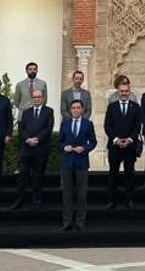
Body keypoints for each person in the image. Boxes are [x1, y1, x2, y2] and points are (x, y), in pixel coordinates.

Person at [11, 88, 54, 210]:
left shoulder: (49, 111)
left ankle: (37, 201)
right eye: (35, 97)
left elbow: (48, 128)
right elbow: (22, 129)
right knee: (22, 176)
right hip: (26, 149)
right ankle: (19, 201)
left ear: (43, 98)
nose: (37, 99)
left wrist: (37, 139)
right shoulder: (26, 112)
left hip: (41, 149)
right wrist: (27, 139)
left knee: (37, 176)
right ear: (32, 98)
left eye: (39, 97)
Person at [59, 99, 97, 231]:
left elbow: (93, 142)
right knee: (67, 194)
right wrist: (64, 147)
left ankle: (80, 221)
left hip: (81, 162)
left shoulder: (88, 124)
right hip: (67, 163)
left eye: (78, 108)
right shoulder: (65, 124)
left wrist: (84, 148)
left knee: (81, 194)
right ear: (70, 110)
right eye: (73, 108)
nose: (75, 110)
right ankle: (67, 221)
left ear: (82, 109)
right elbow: (59, 142)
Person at [104, 80, 142, 210]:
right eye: (122, 91)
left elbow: (137, 126)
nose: (124, 93)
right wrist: (116, 140)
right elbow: (107, 126)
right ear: (118, 92)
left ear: (129, 92)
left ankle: (129, 199)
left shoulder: (135, 107)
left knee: (129, 173)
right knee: (113, 173)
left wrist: (130, 139)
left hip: (130, 146)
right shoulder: (112, 106)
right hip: (115, 146)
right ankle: (111, 200)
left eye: (126, 91)